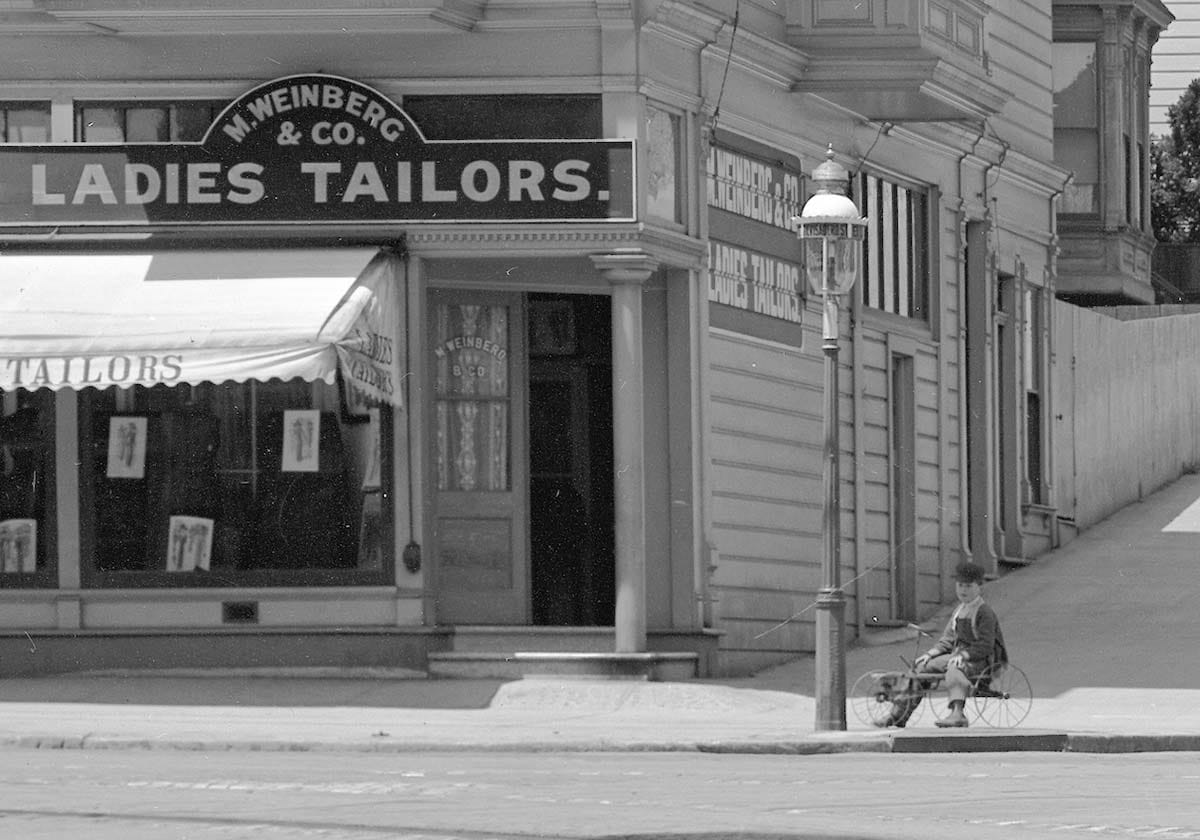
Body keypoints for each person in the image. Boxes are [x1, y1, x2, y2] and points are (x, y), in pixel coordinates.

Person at [876, 560, 1007, 729]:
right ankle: (898, 715)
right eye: (960, 585)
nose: (963, 590)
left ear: (979, 587)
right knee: (920, 668)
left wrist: (964, 655)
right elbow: (948, 639)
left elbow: (985, 645)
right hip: (956, 656)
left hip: (980, 660)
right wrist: (930, 654)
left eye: (968, 586)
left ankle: (957, 714)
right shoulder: (959, 611)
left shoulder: (984, 612)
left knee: (954, 669)